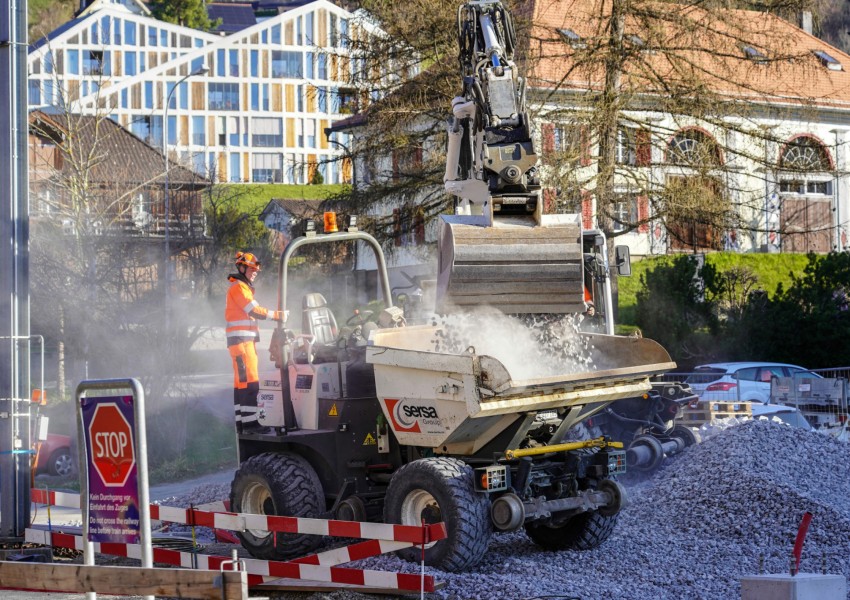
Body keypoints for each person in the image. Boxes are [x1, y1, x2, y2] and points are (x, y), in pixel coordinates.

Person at [225, 251, 287, 434]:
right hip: (242, 343)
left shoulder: (242, 288)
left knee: (241, 384)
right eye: (252, 269)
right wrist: (278, 316)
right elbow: (254, 311)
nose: (255, 272)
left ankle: (243, 424)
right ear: (242, 267)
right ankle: (253, 425)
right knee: (251, 382)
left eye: (256, 270)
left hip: (242, 342)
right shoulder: (239, 288)